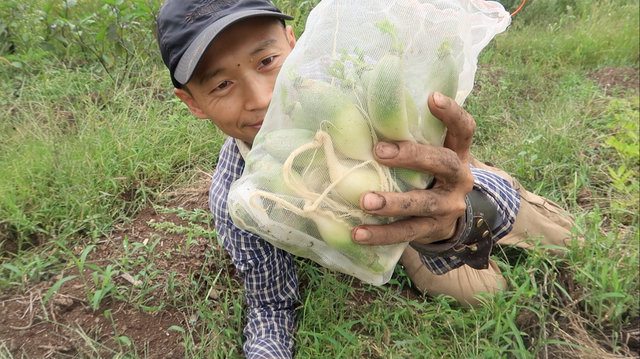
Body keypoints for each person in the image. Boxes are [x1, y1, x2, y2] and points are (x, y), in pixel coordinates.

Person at [156, 0, 576, 357]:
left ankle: (490, 185)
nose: (262, 98)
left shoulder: (356, 83)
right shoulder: (238, 196)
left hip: (433, 184)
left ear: (293, 43)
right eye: (223, 84)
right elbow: (271, 304)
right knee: (487, 299)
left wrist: (455, 203)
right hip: (396, 233)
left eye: (267, 61)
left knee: (565, 239)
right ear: (191, 103)